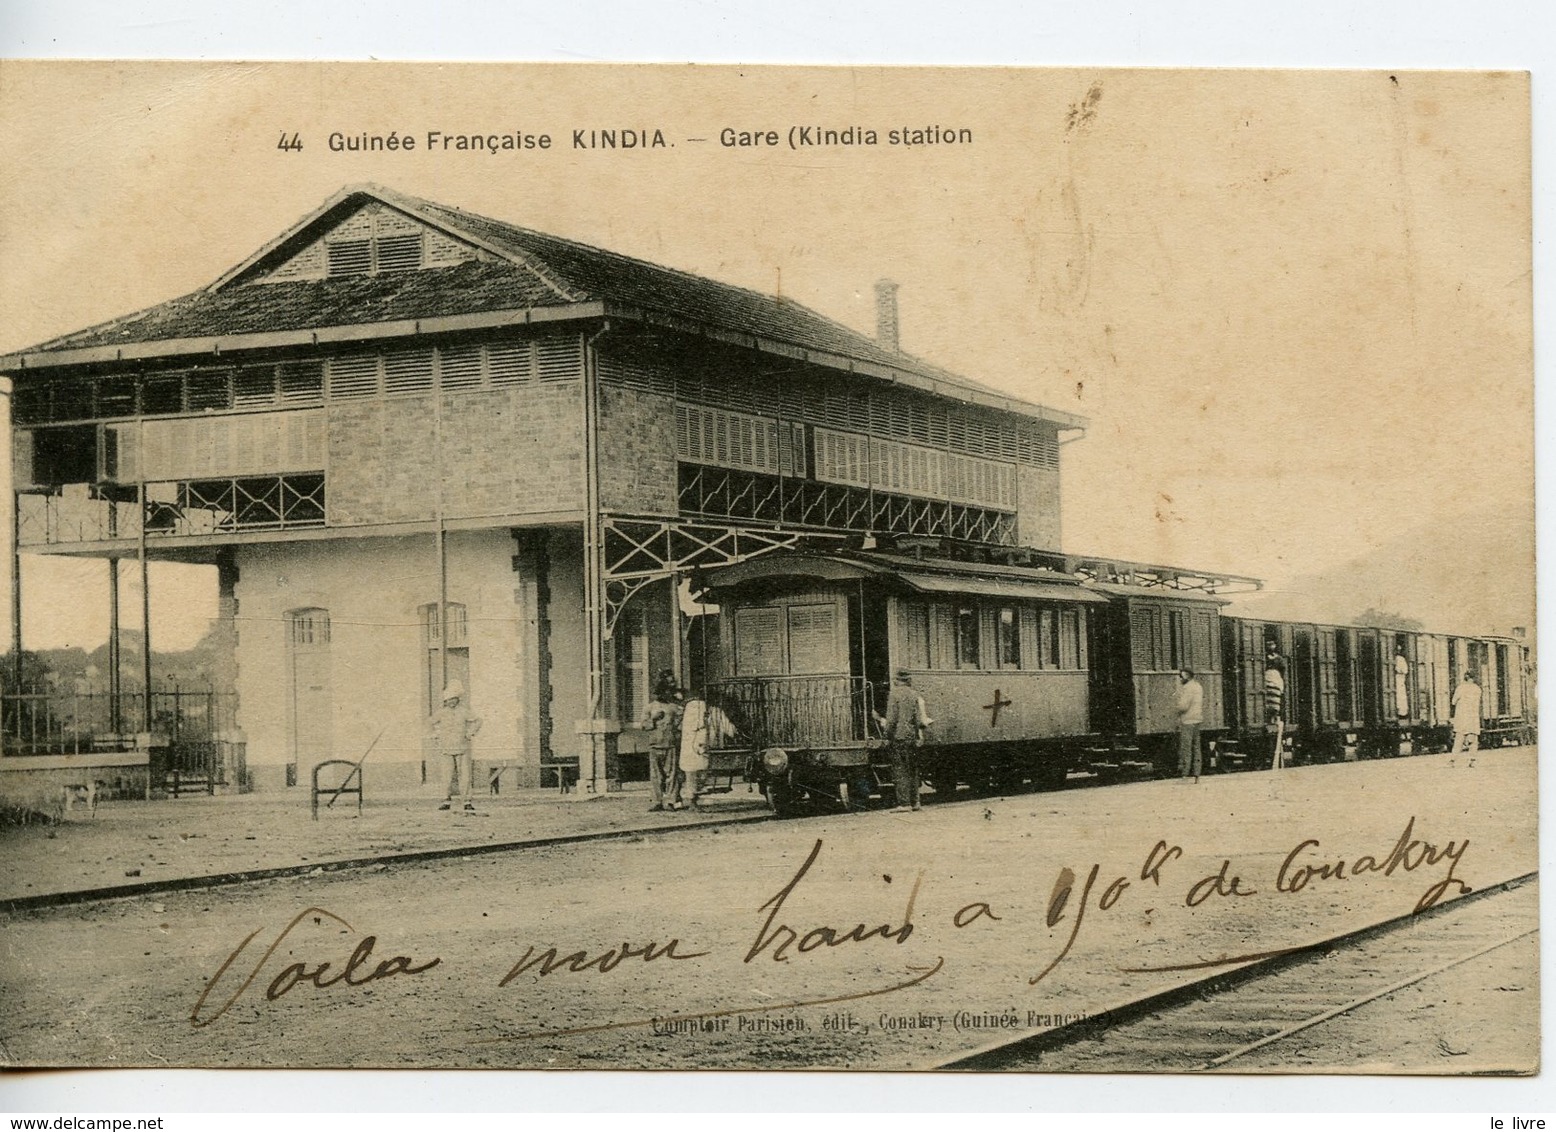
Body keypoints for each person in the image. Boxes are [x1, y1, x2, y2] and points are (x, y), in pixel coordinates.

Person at [876, 669, 931, 812]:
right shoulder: (914, 694)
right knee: (912, 770)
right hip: (911, 736)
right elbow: (919, 719)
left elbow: (892, 719)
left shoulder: (894, 694)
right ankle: (915, 802)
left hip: (899, 737)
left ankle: (904, 804)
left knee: (900, 770)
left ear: (897, 680)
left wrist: (886, 737)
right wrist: (918, 735)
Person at [679, 695, 738, 808]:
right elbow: (727, 727)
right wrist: (734, 733)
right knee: (699, 773)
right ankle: (693, 798)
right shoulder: (712, 711)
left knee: (693, 774)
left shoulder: (690, 711)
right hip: (702, 746)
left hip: (693, 747)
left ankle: (692, 798)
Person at [431, 680, 481, 812]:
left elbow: (477, 721)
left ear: (457, 699)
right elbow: (430, 723)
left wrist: (470, 733)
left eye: (453, 699)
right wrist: (436, 734)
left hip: (462, 747)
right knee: (446, 775)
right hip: (446, 748)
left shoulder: (464, 711)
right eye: (448, 700)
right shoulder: (441, 713)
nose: (451, 702)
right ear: (445, 701)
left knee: (464, 775)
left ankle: (467, 801)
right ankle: (446, 800)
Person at [641, 675, 685, 811]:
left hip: (670, 744)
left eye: (668, 691)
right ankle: (657, 801)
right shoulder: (649, 708)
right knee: (655, 775)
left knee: (671, 774)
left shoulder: (673, 708)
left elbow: (681, 722)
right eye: (664, 691)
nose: (667, 694)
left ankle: (671, 801)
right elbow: (643, 726)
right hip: (654, 744)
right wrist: (653, 720)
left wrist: (676, 729)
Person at [1175, 668, 1204, 780]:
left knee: (1186, 747)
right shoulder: (1198, 686)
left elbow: (1183, 706)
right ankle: (1197, 773)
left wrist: (1176, 708)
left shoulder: (1187, 688)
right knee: (1196, 747)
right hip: (1197, 719)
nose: (1180, 679)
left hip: (1187, 720)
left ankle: (1185, 774)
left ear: (1187, 676)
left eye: (1181, 677)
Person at [1451, 669, 1482, 753]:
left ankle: (1453, 760)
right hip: (1473, 718)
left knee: (1459, 740)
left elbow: (1453, 702)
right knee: (1473, 740)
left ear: (1466, 677)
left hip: (1462, 717)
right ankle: (1472, 760)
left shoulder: (1460, 688)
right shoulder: (1478, 689)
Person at [1262, 642, 1286, 726]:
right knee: (1268, 698)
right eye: (1268, 645)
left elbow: (1282, 669)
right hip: (1267, 678)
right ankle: (1268, 718)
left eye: (1272, 645)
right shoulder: (1264, 657)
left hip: (1275, 678)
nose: (1271, 646)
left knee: (1275, 699)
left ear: (1275, 646)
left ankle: (1274, 717)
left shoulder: (1279, 658)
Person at [1394, 644, 1411, 719]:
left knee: (1401, 697)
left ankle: (1402, 713)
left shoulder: (1401, 659)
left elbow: (1405, 670)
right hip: (1396, 679)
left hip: (1400, 680)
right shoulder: (1395, 659)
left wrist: (1398, 670)